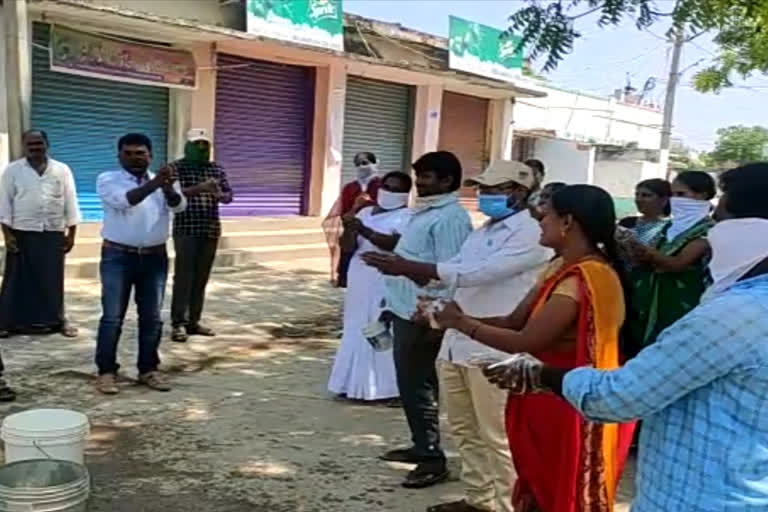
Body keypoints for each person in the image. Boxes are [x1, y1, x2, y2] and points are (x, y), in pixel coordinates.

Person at [483, 162, 768, 511]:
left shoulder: (734, 316)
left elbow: (620, 396)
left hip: (702, 497)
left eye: (718, 220)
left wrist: (539, 374)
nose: (711, 230)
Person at [434, 185, 634, 512]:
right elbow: (514, 320)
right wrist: (450, 318)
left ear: (567, 222)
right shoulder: (558, 267)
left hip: (567, 399)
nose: (539, 221)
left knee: (560, 489)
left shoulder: (587, 277)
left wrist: (461, 324)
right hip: (542, 392)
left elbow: (526, 340)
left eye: (547, 214)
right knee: (537, 483)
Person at [371, 161, 552, 512]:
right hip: (458, 343)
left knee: (497, 435)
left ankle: (505, 504)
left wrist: (412, 267)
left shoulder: (531, 232)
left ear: (518, 191)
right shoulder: (484, 231)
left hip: (495, 346)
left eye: (494, 189)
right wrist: (431, 304)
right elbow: (454, 271)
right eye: (482, 188)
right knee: (465, 430)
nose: (484, 196)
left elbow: (479, 273)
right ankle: (479, 498)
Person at [362, 151, 472, 489]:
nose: (419, 183)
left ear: (446, 181)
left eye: (426, 177)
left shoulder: (451, 218)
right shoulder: (423, 212)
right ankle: (421, 444)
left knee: (419, 385)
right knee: (410, 385)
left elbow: (450, 274)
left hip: (422, 315)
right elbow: (410, 258)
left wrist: (433, 319)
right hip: (401, 307)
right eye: (418, 176)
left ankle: (432, 459)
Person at [94, 133, 186, 395]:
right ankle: (106, 372)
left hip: (155, 258)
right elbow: (126, 201)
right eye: (129, 153)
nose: (135, 158)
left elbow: (179, 207)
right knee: (112, 317)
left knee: (152, 318)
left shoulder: (165, 179)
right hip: (118, 257)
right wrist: (157, 182)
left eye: (141, 153)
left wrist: (168, 188)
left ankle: (148, 370)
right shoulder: (108, 179)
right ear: (119, 156)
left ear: (151, 155)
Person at [327, 171, 413, 402]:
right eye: (386, 186)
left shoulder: (407, 217)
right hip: (360, 276)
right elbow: (347, 246)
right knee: (355, 326)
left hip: (385, 277)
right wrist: (350, 226)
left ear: (406, 194)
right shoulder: (365, 212)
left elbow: (394, 243)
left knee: (380, 327)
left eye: (396, 189)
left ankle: (386, 388)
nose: (389, 192)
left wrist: (363, 229)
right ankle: (349, 383)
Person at [0, 129, 80, 338]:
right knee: (16, 280)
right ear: (24, 146)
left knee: (52, 279)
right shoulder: (13, 170)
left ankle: (58, 321)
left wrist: (71, 234)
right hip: (22, 233)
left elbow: (71, 202)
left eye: (39, 143)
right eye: (30, 144)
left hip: (52, 233)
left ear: (47, 144)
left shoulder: (62, 170)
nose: (35, 148)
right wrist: (7, 235)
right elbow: (4, 204)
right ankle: (7, 323)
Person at [624, 171, 714, 354]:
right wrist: (627, 246)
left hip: (680, 299)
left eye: (682, 194)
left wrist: (644, 250)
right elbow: (647, 261)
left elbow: (677, 264)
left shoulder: (707, 230)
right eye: (673, 195)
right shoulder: (669, 227)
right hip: (649, 298)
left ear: (702, 196)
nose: (676, 200)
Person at [169, 128, 233, 343]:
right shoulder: (175, 168)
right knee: (184, 277)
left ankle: (193, 322)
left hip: (210, 229)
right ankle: (178, 323)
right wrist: (200, 188)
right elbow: (172, 195)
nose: (202, 149)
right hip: (186, 229)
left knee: (201, 278)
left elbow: (229, 196)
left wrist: (219, 194)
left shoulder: (216, 168)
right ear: (188, 146)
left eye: (206, 145)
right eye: (198, 144)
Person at [322, 152, 382, 288]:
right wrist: (355, 207)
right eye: (358, 164)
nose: (361, 167)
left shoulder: (383, 185)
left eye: (365, 163)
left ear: (375, 163)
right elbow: (344, 214)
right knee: (348, 276)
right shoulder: (350, 188)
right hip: (352, 235)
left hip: (375, 235)